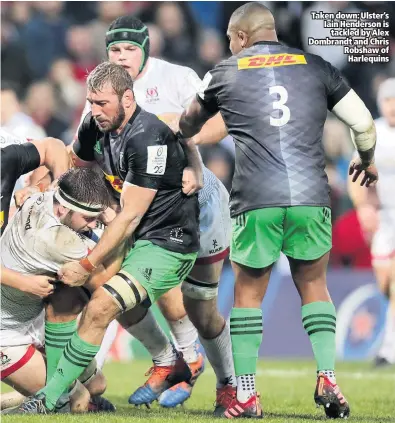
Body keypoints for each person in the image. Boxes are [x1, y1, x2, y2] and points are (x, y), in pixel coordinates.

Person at [178, 2, 379, 419]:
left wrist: (185, 144)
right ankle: (328, 377)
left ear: (241, 37)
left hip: (257, 200)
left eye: (233, 40)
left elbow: (188, 123)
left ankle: (247, 395)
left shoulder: (224, 72)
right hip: (310, 197)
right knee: (315, 287)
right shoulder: (317, 65)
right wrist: (366, 157)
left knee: (249, 294)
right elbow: (362, 122)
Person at [14, 62, 200, 415]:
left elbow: (130, 216)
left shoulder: (149, 137)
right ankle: (165, 360)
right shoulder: (94, 125)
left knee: (101, 303)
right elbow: (73, 166)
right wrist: (41, 184)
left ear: (127, 99)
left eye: (102, 103)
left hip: (166, 241)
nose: (94, 111)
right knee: (64, 297)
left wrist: (87, 262)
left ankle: (49, 399)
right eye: (91, 102)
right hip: (129, 230)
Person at [88, 15, 235, 412]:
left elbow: (222, 117)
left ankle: (227, 384)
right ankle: (178, 361)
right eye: (114, 50)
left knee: (200, 307)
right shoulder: (102, 89)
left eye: (129, 49)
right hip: (149, 214)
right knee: (129, 287)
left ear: (146, 49)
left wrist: (189, 144)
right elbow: (84, 150)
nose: (121, 57)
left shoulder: (176, 78)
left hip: (199, 205)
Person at [1, 167, 114, 413]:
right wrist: (115, 223)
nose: (93, 224)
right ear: (63, 209)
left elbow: (53, 149)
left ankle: (27, 396)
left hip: (33, 316)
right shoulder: (58, 241)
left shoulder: (42, 197)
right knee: (76, 402)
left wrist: (39, 182)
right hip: (5, 335)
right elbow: (108, 284)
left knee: (97, 385)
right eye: (88, 218)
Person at [348, 77, 395, 367]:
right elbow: (355, 174)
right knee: (384, 283)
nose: (392, 106)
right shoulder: (373, 132)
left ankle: (389, 350)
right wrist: (363, 207)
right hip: (384, 218)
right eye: (388, 100)